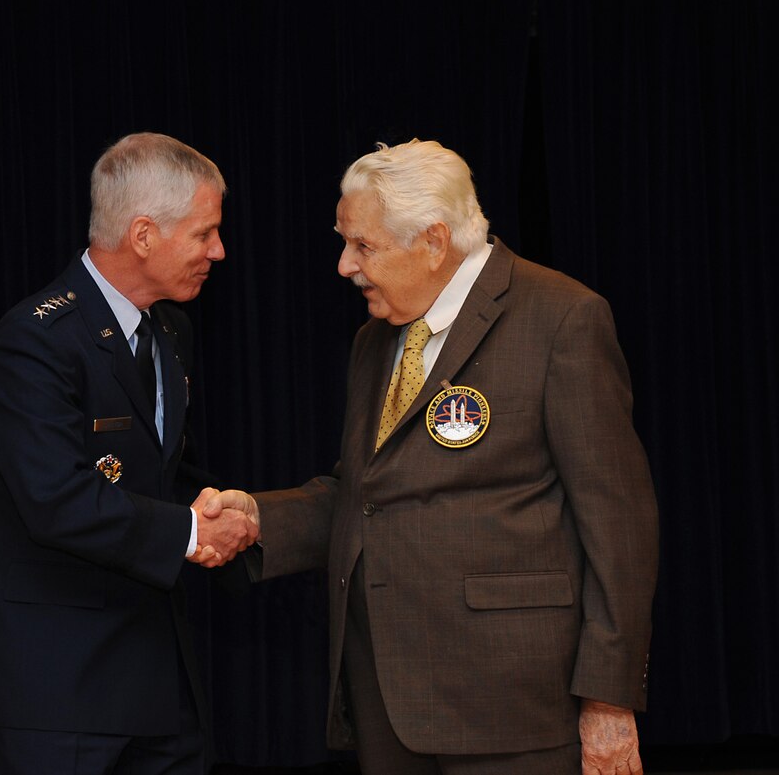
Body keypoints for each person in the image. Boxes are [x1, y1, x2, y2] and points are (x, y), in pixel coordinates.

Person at [203, 138, 659, 774]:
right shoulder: (376, 338)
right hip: (388, 700)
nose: (344, 265)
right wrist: (258, 518)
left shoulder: (562, 319)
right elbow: (366, 492)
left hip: (514, 707)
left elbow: (618, 524)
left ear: (434, 242)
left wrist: (608, 700)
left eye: (363, 245)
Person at [0, 132, 259, 775]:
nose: (218, 250)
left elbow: (157, 471)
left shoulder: (171, 329)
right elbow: (57, 500)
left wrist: (225, 507)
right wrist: (194, 531)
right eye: (205, 233)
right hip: (58, 690)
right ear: (144, 235)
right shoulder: (35, 341)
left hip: (159, 679)